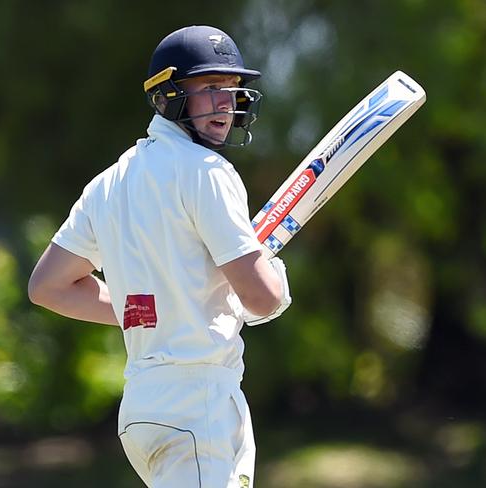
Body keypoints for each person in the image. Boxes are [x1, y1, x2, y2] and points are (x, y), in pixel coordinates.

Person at [28, 25, 292, 488]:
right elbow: (262, 300)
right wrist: (273, 276)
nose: (226, 104)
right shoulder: (209, 172)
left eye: (231, 90)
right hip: (199, 404)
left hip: (142, 411)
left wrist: (145, 313)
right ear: (169, 94)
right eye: (210, 88)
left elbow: (47, 286)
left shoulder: (110, 182)